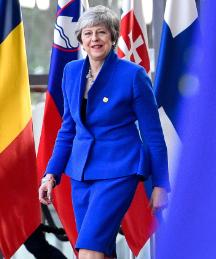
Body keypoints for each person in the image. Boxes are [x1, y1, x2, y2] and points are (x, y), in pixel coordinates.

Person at [38, 5, 170, 259]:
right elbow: (68, 129)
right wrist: (50, 174)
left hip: (119, 170)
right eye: (88, 34)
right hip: (81, 173)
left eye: (101, 32)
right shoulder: (71, 72)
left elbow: (153, 134)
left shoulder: (133, 75)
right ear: (81, 40)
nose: (94, 39)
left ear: (112, 37)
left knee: (89, 250)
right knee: (102, 250)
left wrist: (161, 184)